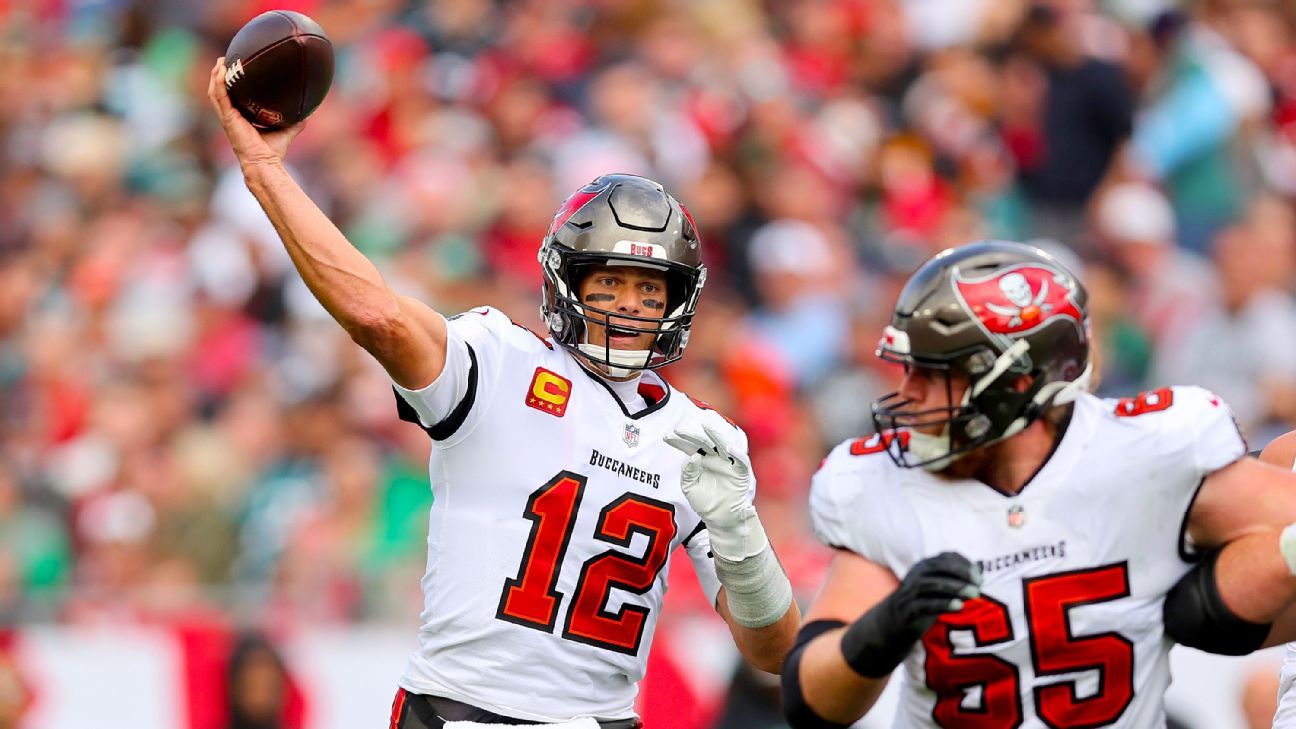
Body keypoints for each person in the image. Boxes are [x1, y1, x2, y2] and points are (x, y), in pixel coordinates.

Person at [206, 61, 799, 729]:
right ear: (566, 281)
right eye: (609, 282)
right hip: (464, 711)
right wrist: (265, 173)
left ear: (677, 301)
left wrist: (741, 533)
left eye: (648, 288)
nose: (629, 305)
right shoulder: (498, 364)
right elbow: (377, 314)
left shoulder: (699, 437)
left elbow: (775, 653)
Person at [780, 240, 1296, 728]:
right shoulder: (880, 483)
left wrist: (1214, 605)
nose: (907, 393)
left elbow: (1277, 535)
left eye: (932, 374)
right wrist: (880, 632)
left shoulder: (1152, 452)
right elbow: (811, 701)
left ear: (1017, 382)